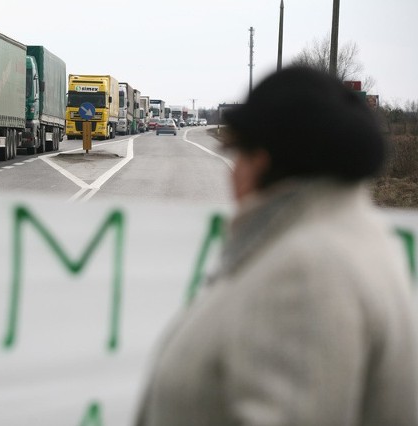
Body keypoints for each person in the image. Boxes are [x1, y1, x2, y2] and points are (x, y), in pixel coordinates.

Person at [135, 66, 418, 425]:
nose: (231, 173)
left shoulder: (307, 273)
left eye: (239, 156)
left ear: (262, 161)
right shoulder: (362, 240)